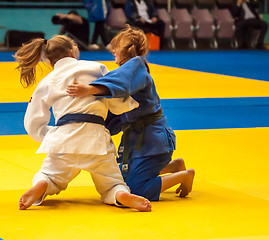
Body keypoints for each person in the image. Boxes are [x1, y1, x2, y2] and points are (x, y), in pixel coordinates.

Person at [14, 34, 152, 212]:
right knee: (112, 182)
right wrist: (128, 105)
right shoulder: (96, 67)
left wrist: (52, 135)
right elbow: (115, 95)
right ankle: (120, 194)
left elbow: (33, 124)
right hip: (96, 140)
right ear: (72, 53)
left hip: (63, 141)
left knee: (50, 175)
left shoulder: (47, 81)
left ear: (49, 62)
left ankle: (42, 184)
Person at [66, 26, 195, 201]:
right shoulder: (130, 71)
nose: (113, 51)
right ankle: (174, 166)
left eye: (117, 46)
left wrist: (88, 89)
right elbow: (111, 101)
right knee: (119, 180)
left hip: (152, 143)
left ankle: (184, 175)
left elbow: (117, 84)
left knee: (136, 190)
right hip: (140, 141)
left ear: (129, 48)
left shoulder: (136, 66)